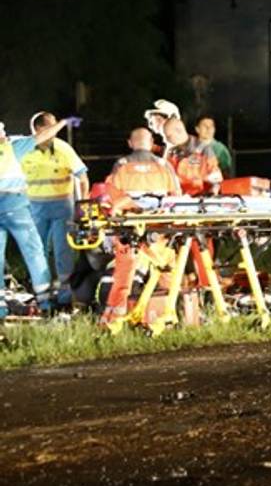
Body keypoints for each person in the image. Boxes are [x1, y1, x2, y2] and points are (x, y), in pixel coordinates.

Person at [100, 128, 183, 327]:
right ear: (152, 142)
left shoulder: (121, 166)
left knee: (124, 273)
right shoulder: (164, 166)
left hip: (129, 229)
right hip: (160, 230)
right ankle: (168, 314)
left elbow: (112, 197)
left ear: (130, 143)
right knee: (166, 270)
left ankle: (114, 318)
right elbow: (176, 198)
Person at [0, 116, 78, 317]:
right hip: (15, 207)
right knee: (35, 253)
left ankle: (1, 308)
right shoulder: (11, 149)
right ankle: (45, 302)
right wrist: (62, 123)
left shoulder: (13, 146)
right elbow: (41, 136)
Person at [20, 112, 90, 306]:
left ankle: (65, 297)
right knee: (37, 252)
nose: (54, 133)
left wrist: (82, 205)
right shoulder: (24, 149)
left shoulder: (63, 149)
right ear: (38, 130)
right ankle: (42, 295)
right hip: (34, 207)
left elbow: (82, 178)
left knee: (63, 252)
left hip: (62, 207)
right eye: (50, 128)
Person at [163, 118, 223, 196]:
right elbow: (167, 177)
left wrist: (211, 194)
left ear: (179, 131)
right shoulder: (171, 153)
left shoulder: (204, 149)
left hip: (199, 200)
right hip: (177, 201)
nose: (166, 139)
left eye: (169, 136)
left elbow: (216, 179)